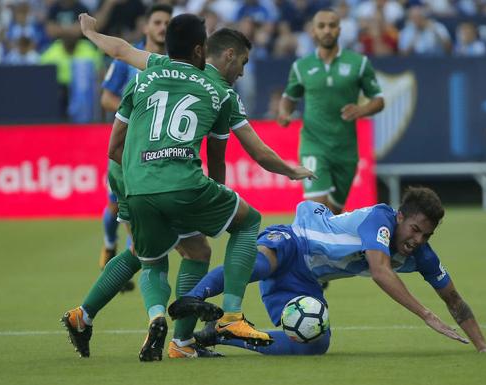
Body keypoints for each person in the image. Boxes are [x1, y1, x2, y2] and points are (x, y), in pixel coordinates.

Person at [62, 13, 314, 361]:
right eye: (241, 63)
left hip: (131, 175)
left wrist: (89, 31)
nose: (242, 71)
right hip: (179, 179)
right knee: (245, 222)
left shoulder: (151, 70)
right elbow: (234, 157)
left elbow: (119, 52)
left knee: (167, 252)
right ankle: (228, 318)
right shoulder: (220, 92)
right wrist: (288, 171)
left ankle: (98, 318)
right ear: (208, 51)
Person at [186, 187, 486, 355]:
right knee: (259, 264)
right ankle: (192, 298)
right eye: (415, 229)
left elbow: (454, 298)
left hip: (305, 281)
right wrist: (427, 315)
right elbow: (380, 271)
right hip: (294, 241)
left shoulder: (422, 256)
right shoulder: (380, 218)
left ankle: (221, 335)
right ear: (400, 217)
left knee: (315, 345)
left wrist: (482, 345)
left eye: (426, 235)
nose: (417, 240)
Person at [277, 9, 385, 215]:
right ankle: (308, 246)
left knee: (333, 214)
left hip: (346, 150)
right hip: (313, 145)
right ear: (313, 32)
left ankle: (323, 246)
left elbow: (379, 100)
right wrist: (284, 113)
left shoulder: (358, 63)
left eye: (332, 25)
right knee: (317, 209)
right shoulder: (301, 66)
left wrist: (361, 109)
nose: (327, 30)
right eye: (322, 26)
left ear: (339, 30)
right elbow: (289, 97)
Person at [98, 4, 173, 283]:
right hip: (125, 147)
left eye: (167, 22)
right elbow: (106, 98)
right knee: (116, 207)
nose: (162, 27)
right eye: (157, 21)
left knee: (139, 212)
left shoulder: (174, 63)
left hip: (156, 149)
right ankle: (109, 244)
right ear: (146, 27)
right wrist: (137, 115)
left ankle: (132, 262)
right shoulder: (127, 58)